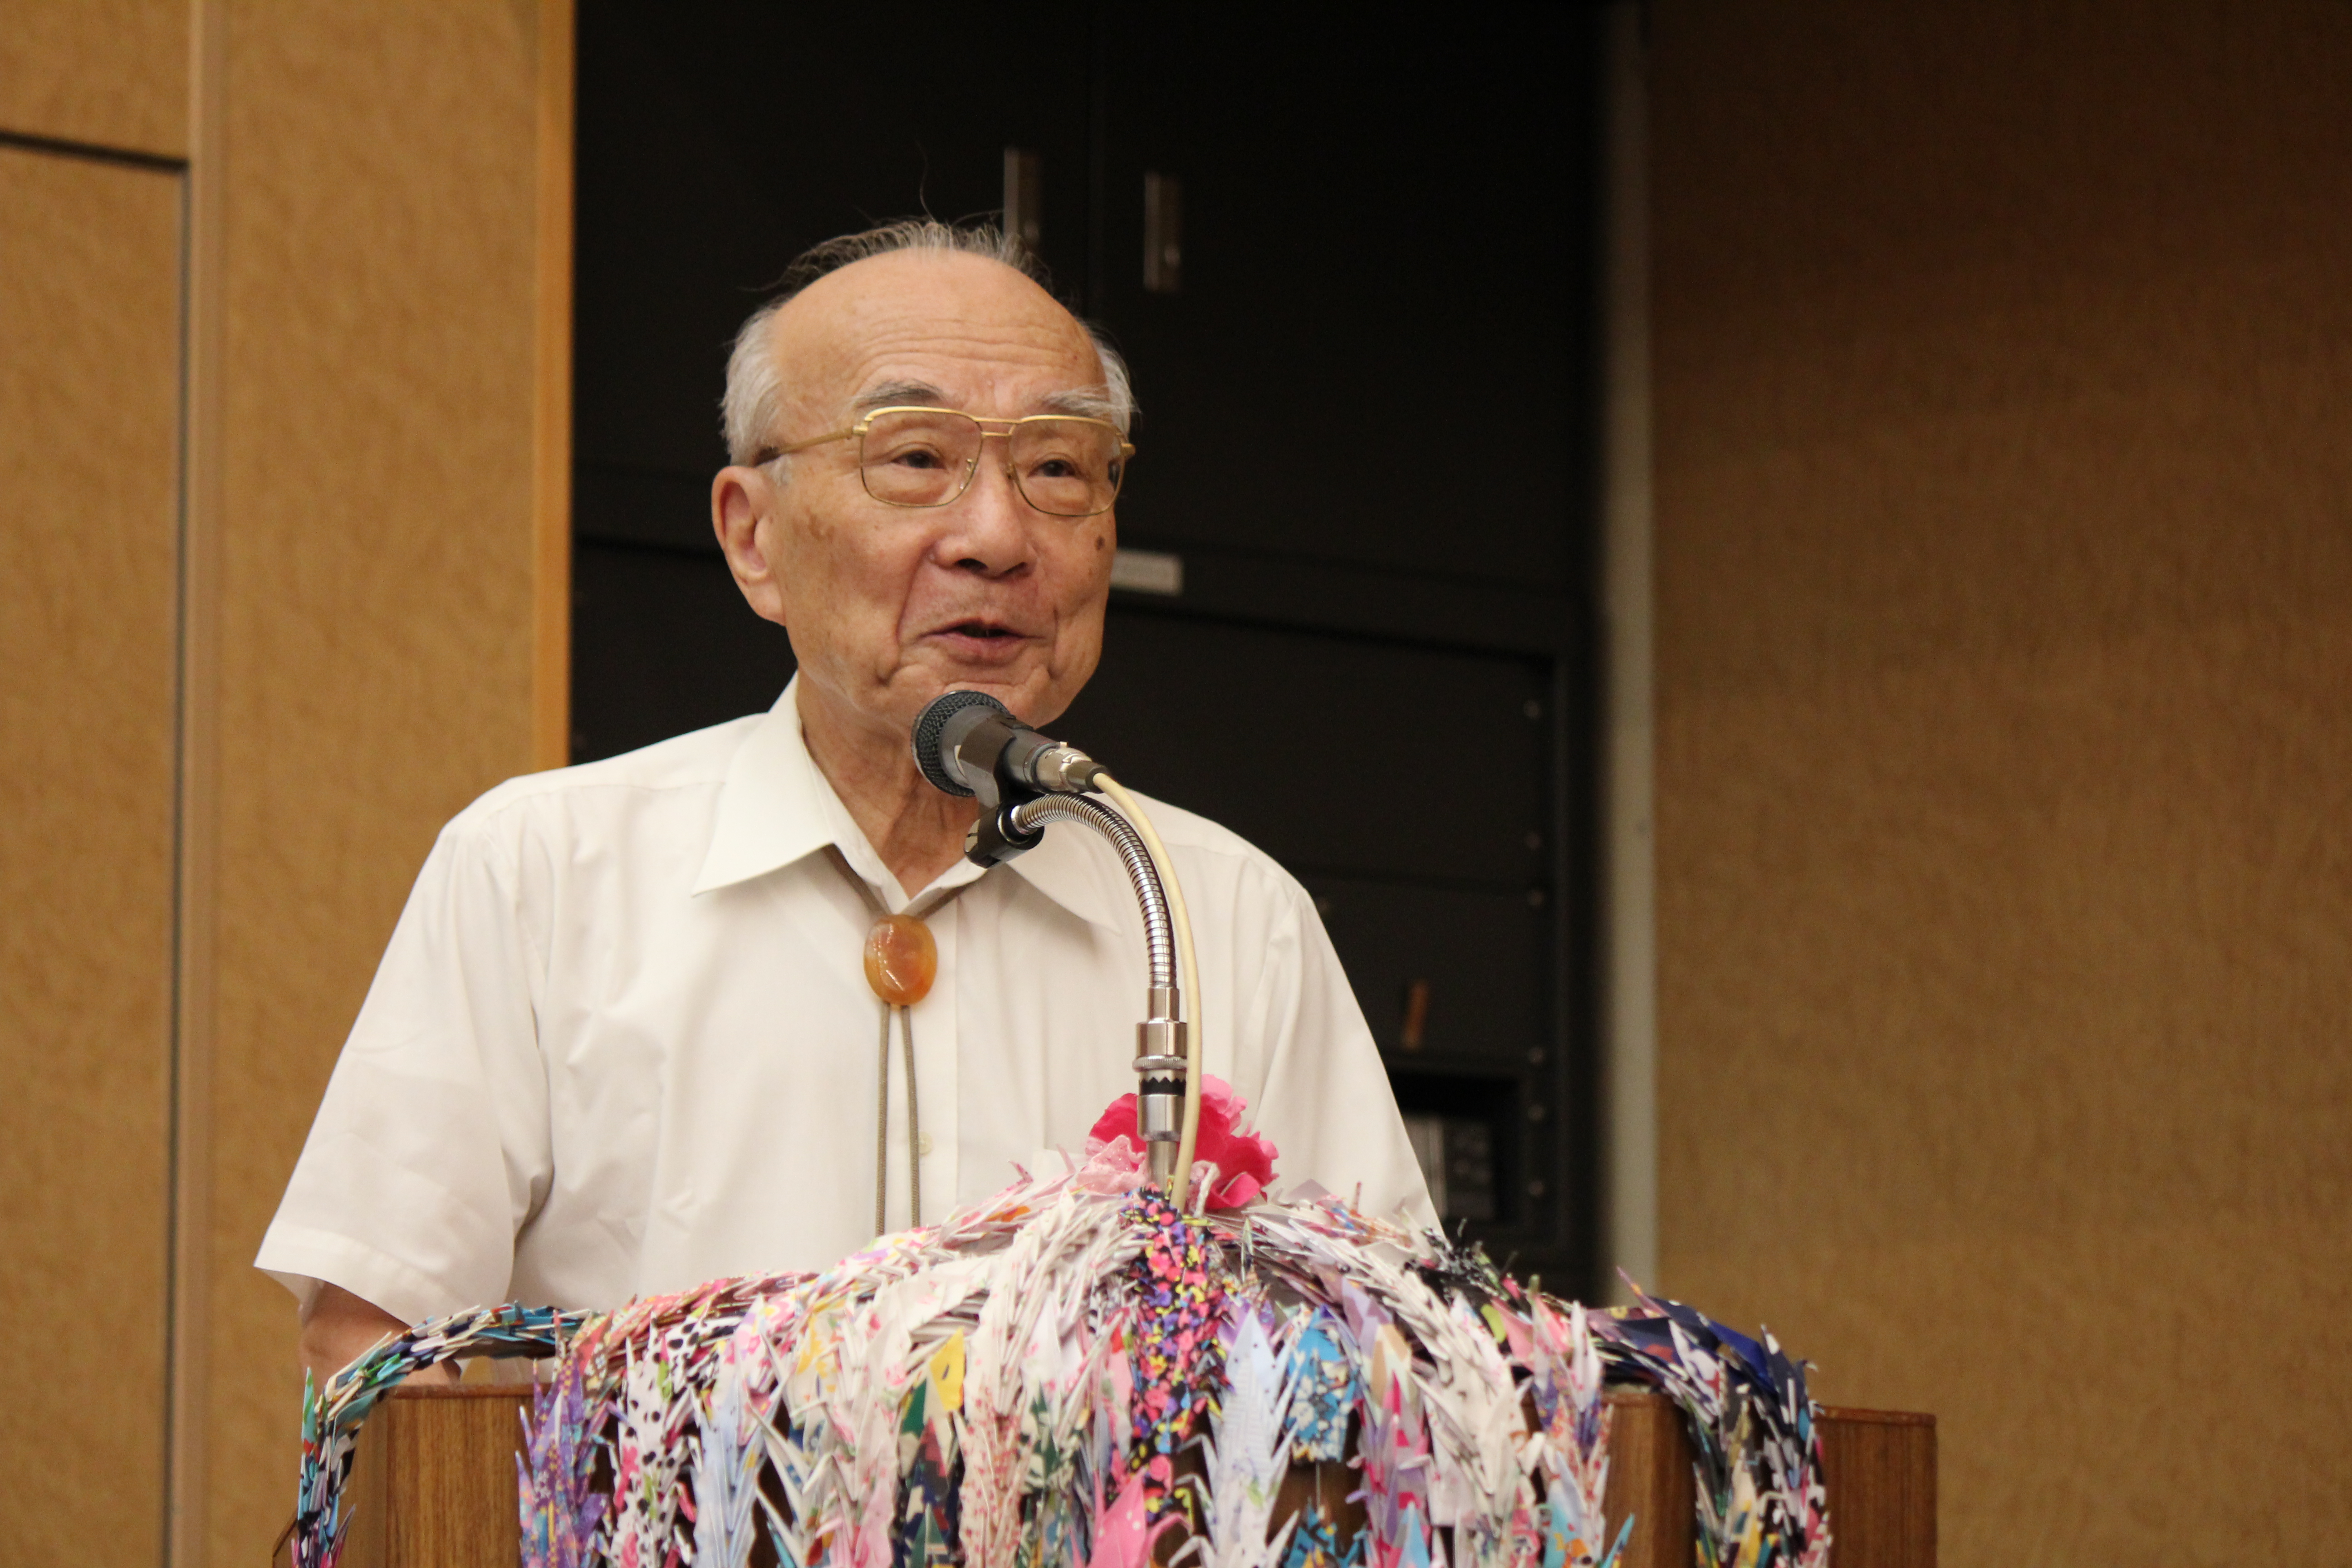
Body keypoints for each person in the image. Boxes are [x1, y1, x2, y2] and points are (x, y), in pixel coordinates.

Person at [259, 220, 1433, 1379]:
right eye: (915, 457)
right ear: (753, 537)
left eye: (1060, 469)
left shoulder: (1220, 915)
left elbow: (1400, 1375)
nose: (998, 537)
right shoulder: (544, 872)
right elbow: (376, 1352)